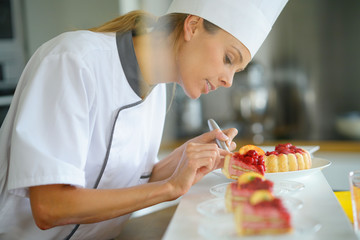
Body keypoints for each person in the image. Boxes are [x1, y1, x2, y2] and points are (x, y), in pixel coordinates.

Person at [0, 0, 288, 239]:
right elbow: (50, 207)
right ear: (193, 26)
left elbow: (119, 180)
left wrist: (181, 161)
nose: (228, 80)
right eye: (228, 59)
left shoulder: (159, 89)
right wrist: (170, 188)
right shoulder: (74, 61)